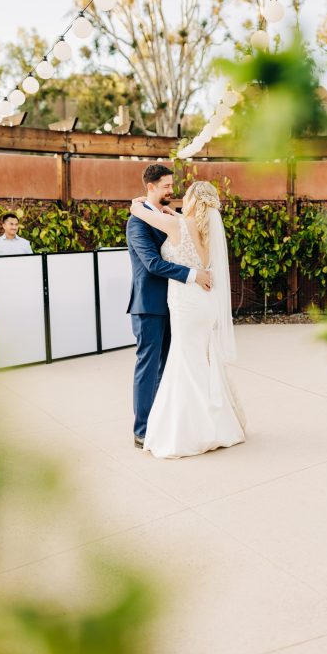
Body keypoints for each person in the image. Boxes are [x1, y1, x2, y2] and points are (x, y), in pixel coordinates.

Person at [130, 179, 245, 459]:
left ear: (193, 201)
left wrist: (136, 205)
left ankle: (187, 429)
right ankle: (216, 423)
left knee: (183, 361)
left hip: (186, 304)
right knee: (202, 361)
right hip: (204, 303)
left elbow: (141, 213)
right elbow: (189, 232)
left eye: (186, 195)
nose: (178, 196)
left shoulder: (178, 225)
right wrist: (175, 215)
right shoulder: (205, 229)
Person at [126, 164, 213, 450]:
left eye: (171, 185)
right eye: (165, 186)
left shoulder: (167, 216)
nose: (170, 190)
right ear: (150, 187)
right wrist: (193, 275)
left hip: (176, 305)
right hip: (150, 304)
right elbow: (152, 264)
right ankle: (141, 430)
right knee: (148, 367)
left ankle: (163, 422)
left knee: (169, 367)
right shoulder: (137, 222)